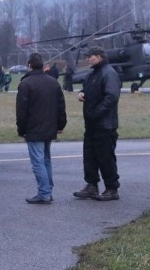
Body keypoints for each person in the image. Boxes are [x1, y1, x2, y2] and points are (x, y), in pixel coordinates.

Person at [16, 53, 67, 204]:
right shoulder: (53, 82)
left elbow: (21, 111)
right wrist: (60, 124)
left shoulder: (25, 84)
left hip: (34, 128)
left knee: (38, 162)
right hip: (49, 127)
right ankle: (47, 190)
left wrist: (21, 129)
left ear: (29, 66)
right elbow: (61, 106)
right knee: (46, 160)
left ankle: (44, 192)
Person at [73, 46, 122, 201]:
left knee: (105, 157)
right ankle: (91, 185)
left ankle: (112, 188)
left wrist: (96, 113)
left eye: (91, 56)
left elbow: (111, 97)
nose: (88, 59)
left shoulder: (109, 73)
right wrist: (81, 93)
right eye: (87, 56)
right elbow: (88, 90)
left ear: (100, 56)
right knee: (89, 157)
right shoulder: (92, 74)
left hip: (105, 125)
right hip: (91, 125)